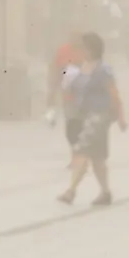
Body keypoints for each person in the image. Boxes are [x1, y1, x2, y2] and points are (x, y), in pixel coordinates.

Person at [57, 32, 126, 206]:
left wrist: (121, 117)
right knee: (97, 158)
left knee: (81, 150)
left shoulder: (103, 70)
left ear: (91, 49)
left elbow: (114, 94)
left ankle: (71, 190)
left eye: (82, 47)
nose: (79, 50)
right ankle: (105, 192)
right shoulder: (81, 67)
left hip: (99, 116)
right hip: (85, 115)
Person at [47, 31, 84, 164]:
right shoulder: (63, 51)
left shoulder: (87, 51)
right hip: (68, 96)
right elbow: (56, 71)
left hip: (85, 98)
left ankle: (81, 157)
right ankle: (75, 155)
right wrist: (52, 92)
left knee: (83, 127)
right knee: (71, 128)